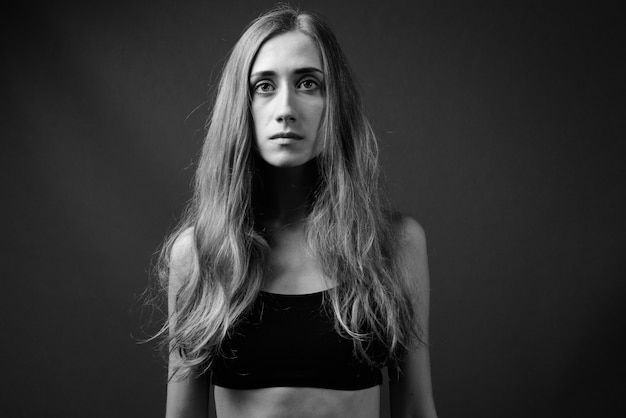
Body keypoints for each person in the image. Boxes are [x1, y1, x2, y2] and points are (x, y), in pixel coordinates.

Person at [156, 5, 438, 418]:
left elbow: (416, 410)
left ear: (334, 102)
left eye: (308, 83)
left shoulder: (394, 246)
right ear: (242, 106)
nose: (286, 108)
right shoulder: (200, 254)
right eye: (264, 86)